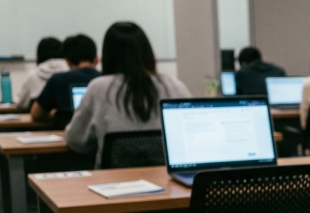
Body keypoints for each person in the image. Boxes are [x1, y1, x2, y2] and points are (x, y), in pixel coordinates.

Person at [66, 22, 191, 168]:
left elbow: (77, 141)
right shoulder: (173, 85)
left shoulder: (98, 88)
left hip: (112, 185)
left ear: (108, 55)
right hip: (167, 182)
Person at [31, 34, 101, 122]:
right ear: (96, 58)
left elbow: (36, 114)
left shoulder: (58, 80)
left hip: (65, 133)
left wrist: (57, 115)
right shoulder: (105, 79)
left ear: (67, 61)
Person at [15, 37, 69, 109]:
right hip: (64, 119)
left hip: (37, 118)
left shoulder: (32, 75)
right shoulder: (71, 73)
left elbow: (21, 103)